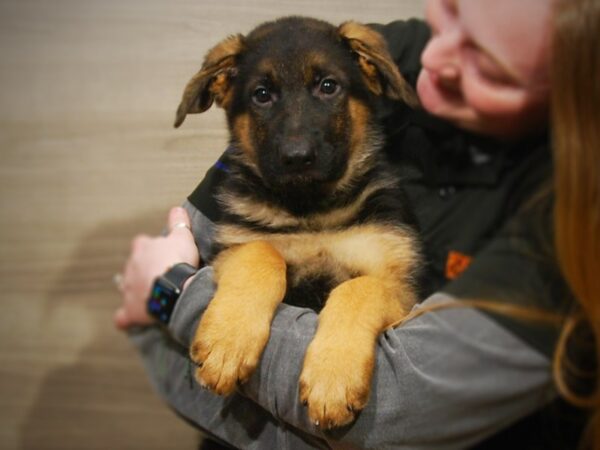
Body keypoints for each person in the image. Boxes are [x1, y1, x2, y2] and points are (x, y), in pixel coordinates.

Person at [115, 0, 599, 448]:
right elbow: (157, 325)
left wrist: (175, 297)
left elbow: (392, 413)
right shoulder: (363, 55)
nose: (438, 54)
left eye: (490, 65)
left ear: (568, 96)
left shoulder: (574, 218)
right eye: (451, 10)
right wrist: (175, 295)